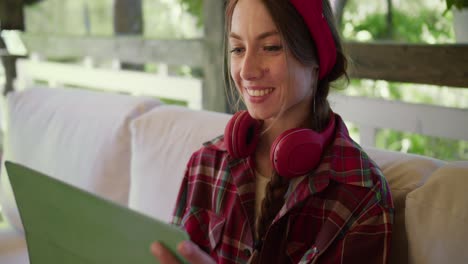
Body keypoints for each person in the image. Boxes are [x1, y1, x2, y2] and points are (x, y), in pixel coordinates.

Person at [151, 0, 394, 263]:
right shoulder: (206, 165)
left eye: (270, 47)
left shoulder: (361, 191)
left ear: (317, 58)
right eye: (237, 49)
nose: (247, 71)